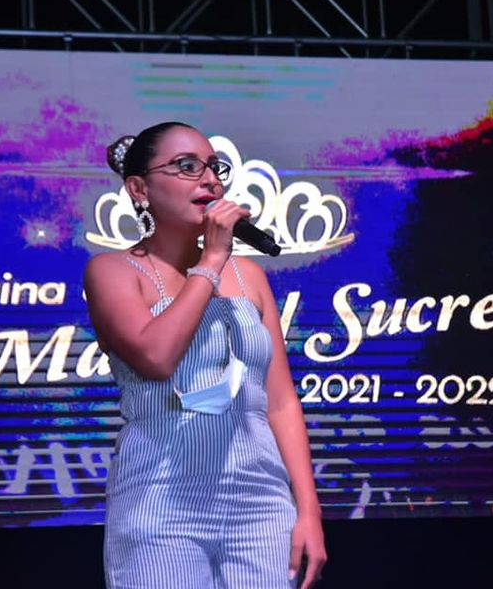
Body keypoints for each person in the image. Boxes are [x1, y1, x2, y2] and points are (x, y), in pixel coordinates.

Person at [84, 122, 327, 588]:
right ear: (139, 189)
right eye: (187, 166)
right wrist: (211, 261)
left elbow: (280, 402)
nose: (210, 180)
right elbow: (156, 357)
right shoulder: (112, 271)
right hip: (159, 500)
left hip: (261, 504)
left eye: (215, 167)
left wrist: (309, 511)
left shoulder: (250, 277)